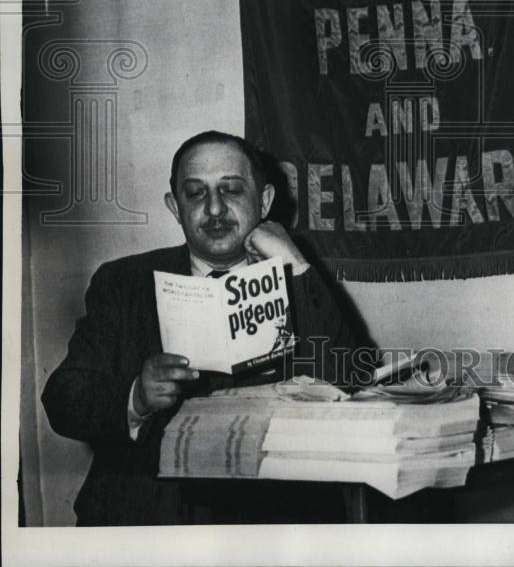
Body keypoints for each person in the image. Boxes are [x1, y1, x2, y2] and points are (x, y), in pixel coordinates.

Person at [42, 131, 371, 526]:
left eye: (231, 190)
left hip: (271, 521)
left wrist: (296, 265)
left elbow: (355, 380)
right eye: (195, 194)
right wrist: (135, 398)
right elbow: (63, 397)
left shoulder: (300, 279)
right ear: (174, 207)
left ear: (264, 201)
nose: (214, 209)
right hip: (147, 520)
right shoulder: (123, 283)